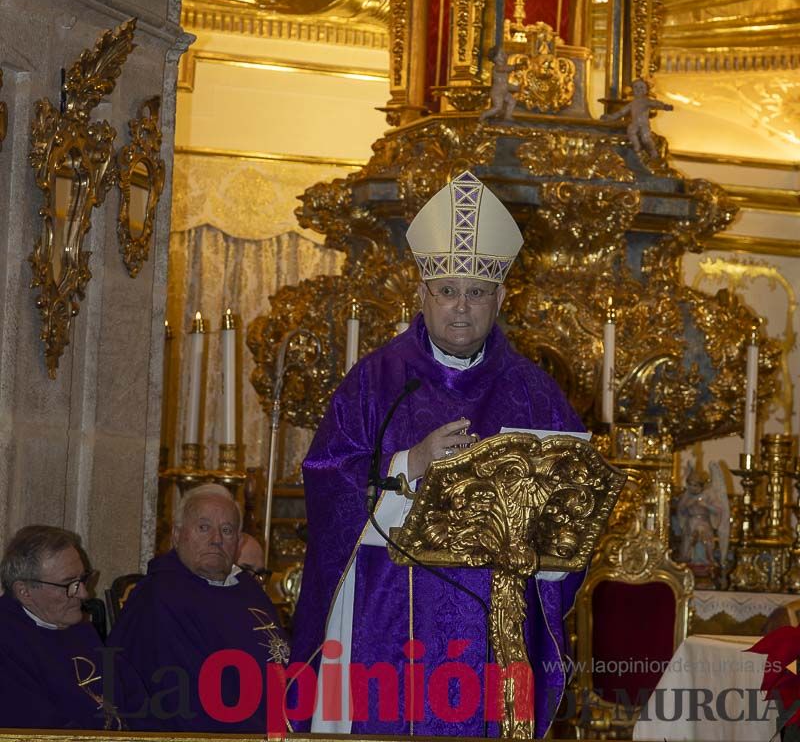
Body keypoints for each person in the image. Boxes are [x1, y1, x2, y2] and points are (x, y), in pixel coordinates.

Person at [290, 170, 585, 737]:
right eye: (447, 290)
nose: (460, 308)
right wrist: (409, 465)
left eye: (476, 292)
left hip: (495, 630)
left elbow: (566, 528)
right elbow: (327, 488)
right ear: (421, 293)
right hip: (390, 622)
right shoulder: (376, 381)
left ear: (501, 297)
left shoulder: (536, 393)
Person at [107, 483, 288, 732]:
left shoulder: (248, 590)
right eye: (204, 528)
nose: (216, 540)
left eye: (227, 530)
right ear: (177, 534)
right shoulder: (159, 596)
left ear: (237, 542)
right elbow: (178, 696)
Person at [0, 524, 139, 728]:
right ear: (24, 592)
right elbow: (39, 728)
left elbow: (133, 694)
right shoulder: (6, 642)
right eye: (69, 584)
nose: (84, 594)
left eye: (83, 579)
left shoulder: (79, 628)